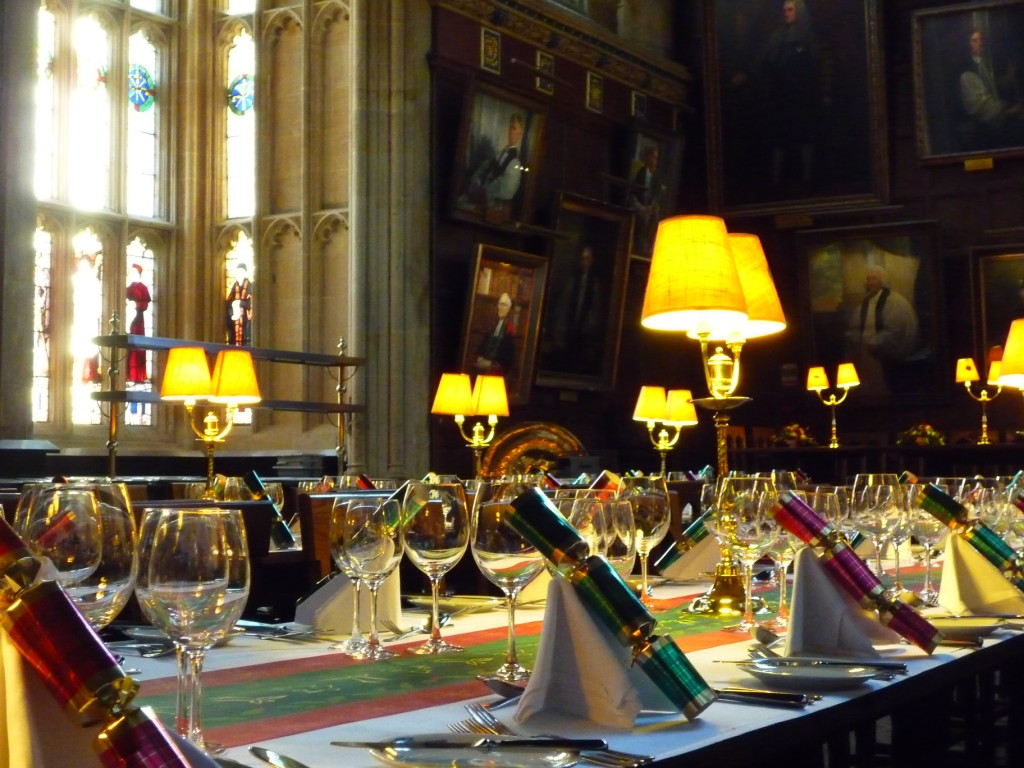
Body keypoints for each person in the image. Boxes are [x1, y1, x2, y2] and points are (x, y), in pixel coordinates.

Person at [760, 0, 831, 190]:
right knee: (779, 138)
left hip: (805, 95)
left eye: (790, 10)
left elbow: (823, 65)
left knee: (806, 136)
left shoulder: (811, 37)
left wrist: (824, 91)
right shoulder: (777, 37)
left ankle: (807, 179)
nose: (787, 14)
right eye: (785, 10)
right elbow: (767, 63)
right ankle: (776, 181)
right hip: (781, 96)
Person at [846, 265, 919, 396]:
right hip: (866, 358)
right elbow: (855, 328)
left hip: (884, 358)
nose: (870, 282)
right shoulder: (866, 302)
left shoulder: (894, 302)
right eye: (868, 279)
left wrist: (876, 344)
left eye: (874, 278)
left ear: (882, 280)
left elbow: (896, 329)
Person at [543, 245, 604, 375]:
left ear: (592, 261)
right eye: (582, 259)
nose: (585, 262)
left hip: (584, 333)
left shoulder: (594, 284)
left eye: (587, 259)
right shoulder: (572, 280)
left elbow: (596, 311)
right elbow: (562, 307)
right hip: (568, 330)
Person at [959, 28, 1023, 150]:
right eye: (974, 40)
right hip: (984, 130)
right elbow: (980, 107)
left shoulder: (980, 63)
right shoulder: (966, 73)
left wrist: (1008, 77)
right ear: (967, 45)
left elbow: (989, 86)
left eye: (981, 40)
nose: (980, 43)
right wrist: (1008, 111)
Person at [461, 113, 525, 222]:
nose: (510, 132)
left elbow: (506, 192)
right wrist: (476, 183)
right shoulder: (499, 154)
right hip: (479, 198)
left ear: (520, 134)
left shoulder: (515, 164)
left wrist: (483, 193)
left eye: (514, 128)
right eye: (510, 127)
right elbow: (483, 170)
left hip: (491, 208)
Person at [628, 144, 665, 255]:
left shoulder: (656, 176)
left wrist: (651, 206)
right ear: (647, 157)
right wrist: (642, 208)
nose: (655, 161)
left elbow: (658, 193)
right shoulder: (640, 172)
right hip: (640, 205)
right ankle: (639, 248)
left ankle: (649, 247)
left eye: (656, 158)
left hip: (650, 207)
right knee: (641, 218)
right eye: (653, 157)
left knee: (655, 216)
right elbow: (634, 193)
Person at [474, 291, 516, 375]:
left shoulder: (510, 327)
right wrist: (480, 357)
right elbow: (484, 344)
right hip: (484, 366)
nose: (501, 308)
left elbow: (508, 354)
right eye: (500, 304)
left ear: (509, 308)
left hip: (498, 369)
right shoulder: (493, 325)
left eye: (504, 305)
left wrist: (491, 363)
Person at [125, 263, 151, 383]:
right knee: (126, 349)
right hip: (126, 319)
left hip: (138, 322)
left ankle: (136, 375)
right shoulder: (127, 287)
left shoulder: (142, 287)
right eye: (131, 272)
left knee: (137, 348)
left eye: (134, 272)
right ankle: (127, 374)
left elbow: (144, 304)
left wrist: (135, 307)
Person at [226, 263, 253, 346]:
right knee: (233, 340)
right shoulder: (235, 285)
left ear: (245, 273)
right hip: (235, 322)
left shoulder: (250, 286)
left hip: (246, 320)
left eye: (241, 272)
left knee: (245, 340)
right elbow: (229, 301)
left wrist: (240, 303)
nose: (239, 274)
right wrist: (232, 310)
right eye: (237, 272)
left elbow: (252, 302)